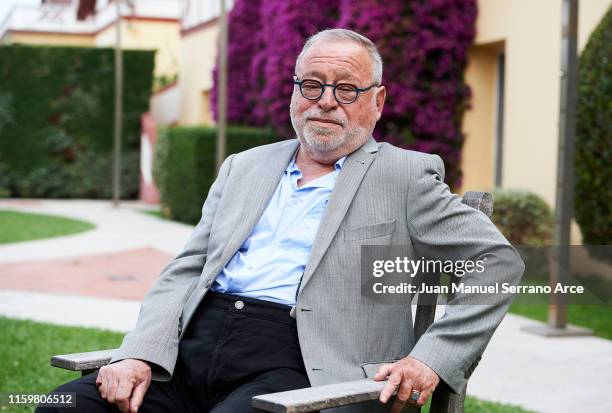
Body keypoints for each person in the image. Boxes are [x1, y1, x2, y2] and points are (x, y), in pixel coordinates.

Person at [37, 28, 524, 413]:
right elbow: (186, 269)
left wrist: (429, 359)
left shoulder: (405, 176)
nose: (326, 100)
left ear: (378, 102)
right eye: (312, 85)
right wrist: (139, 351)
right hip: (190, 355)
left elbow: (497, 263)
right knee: (61, 407)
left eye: (347, 89)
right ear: (295, 92)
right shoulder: (243, 166)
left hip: (303, 369)